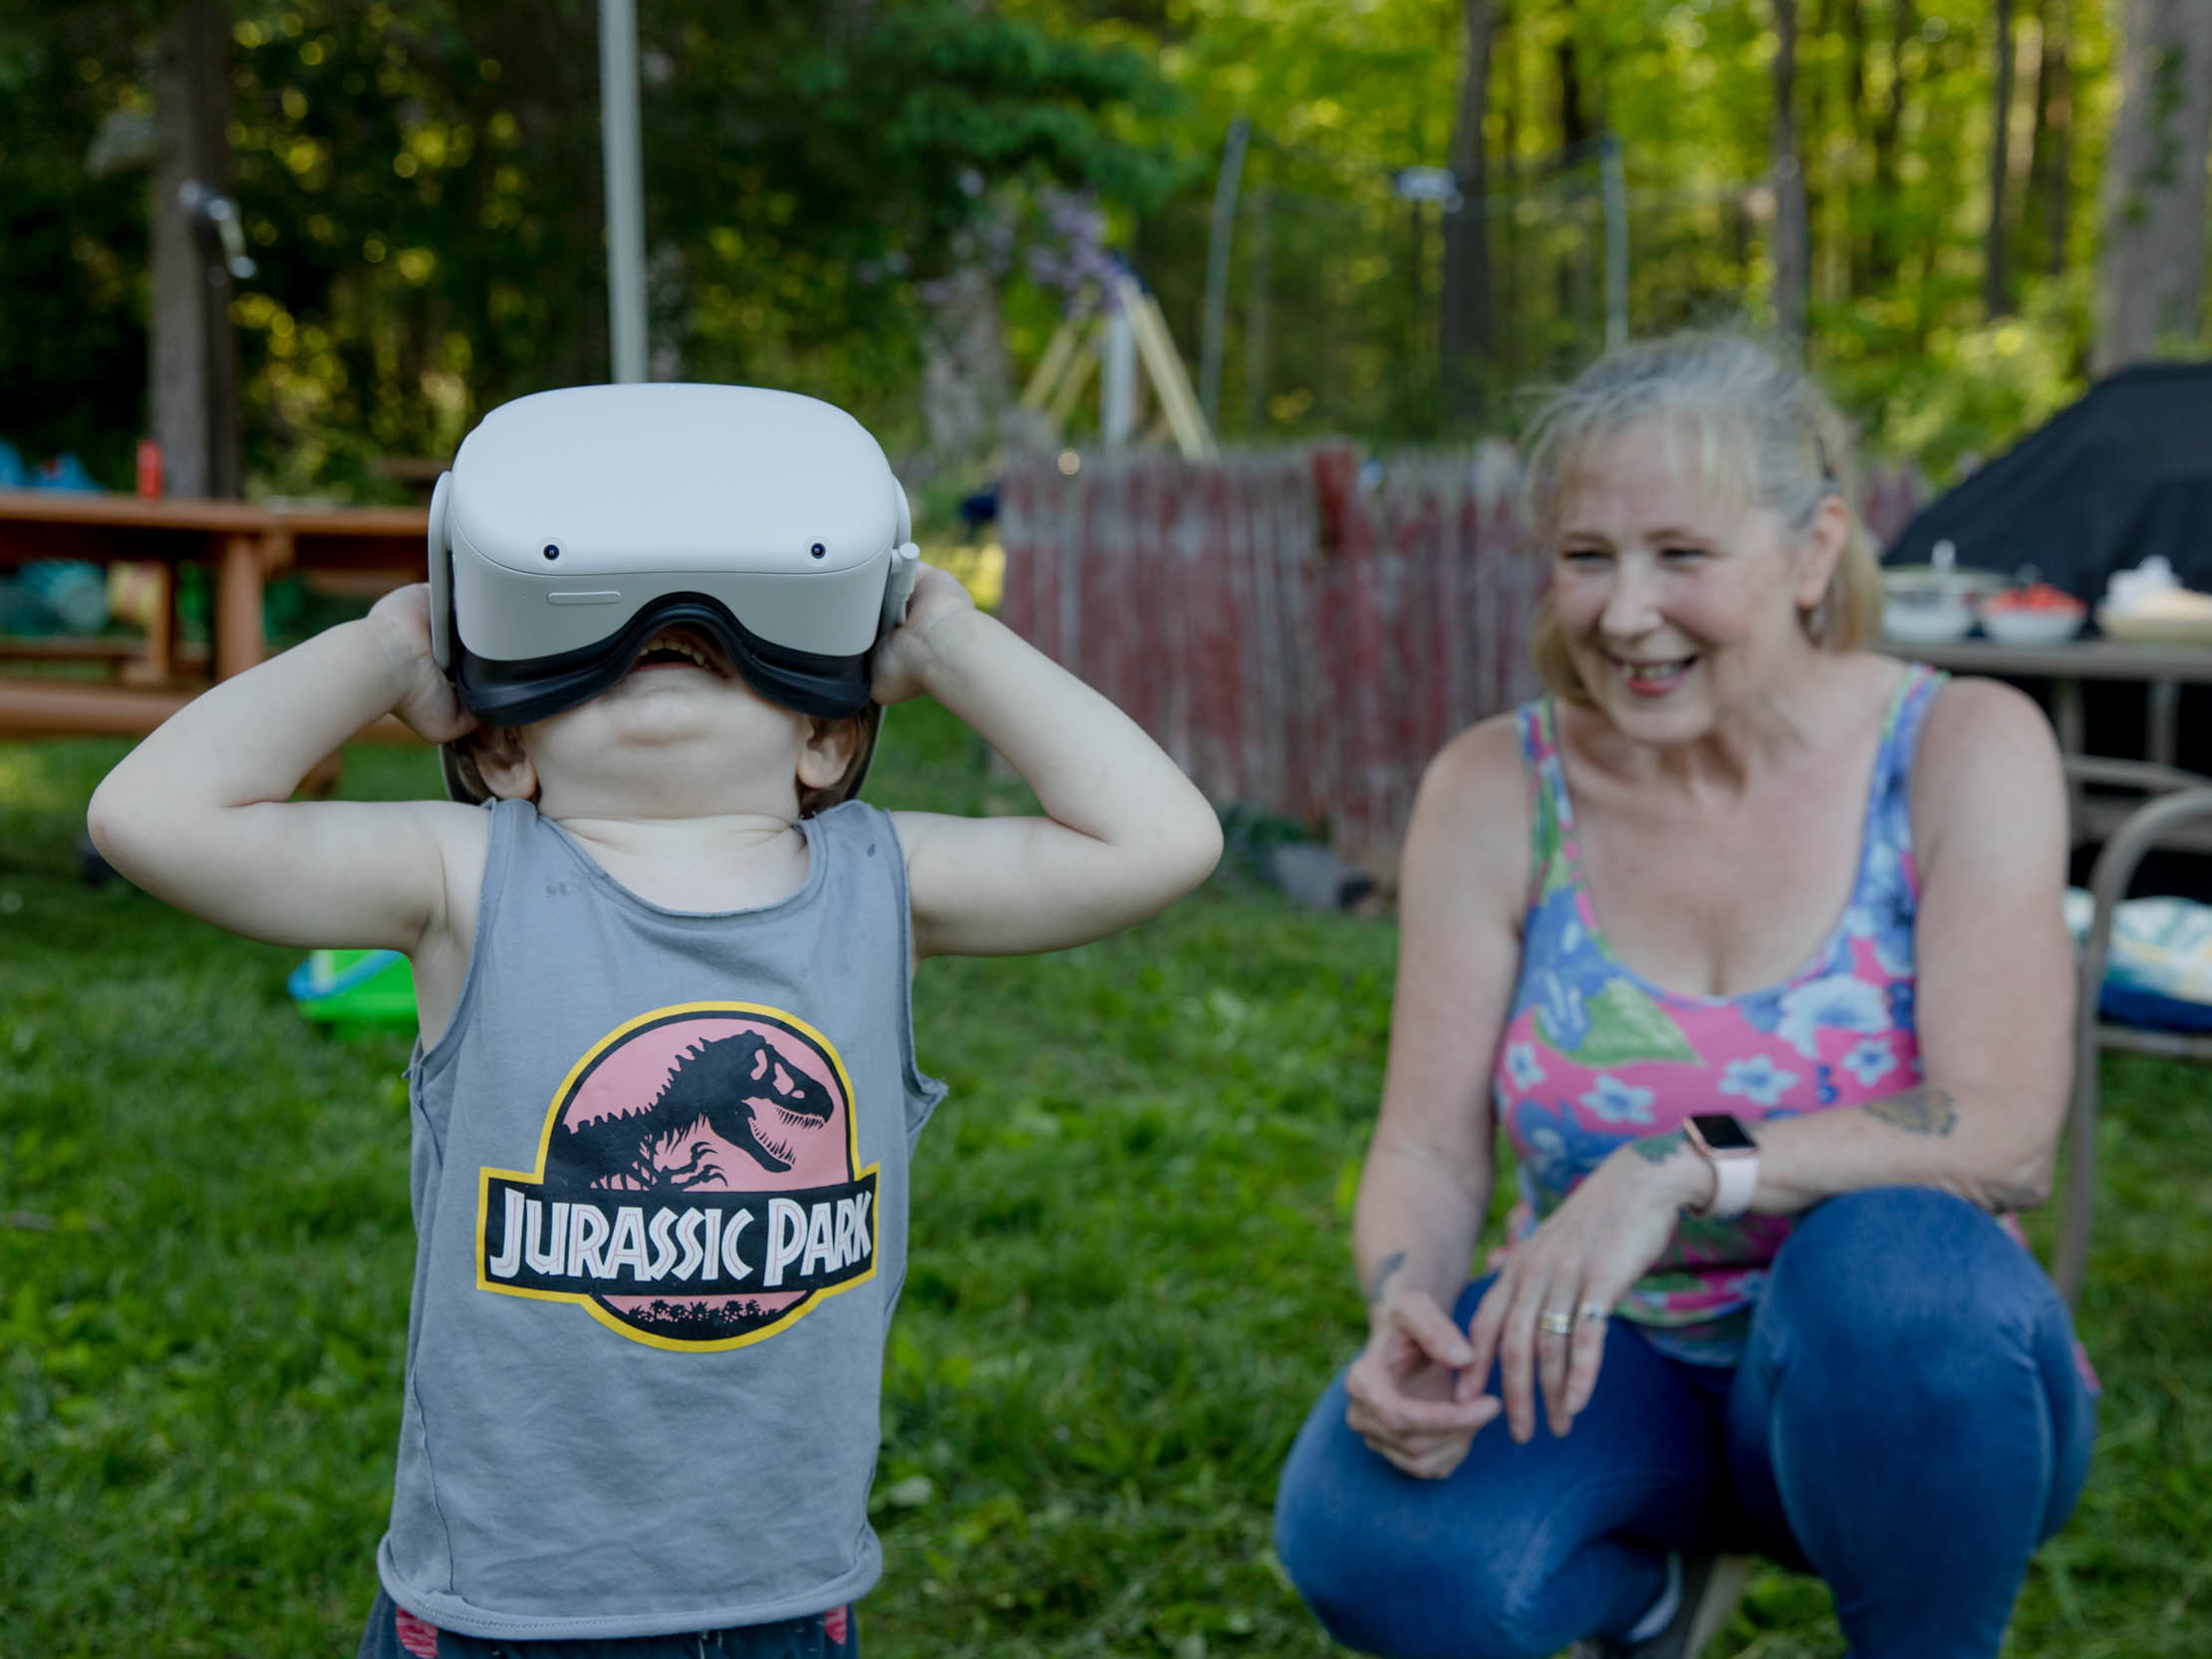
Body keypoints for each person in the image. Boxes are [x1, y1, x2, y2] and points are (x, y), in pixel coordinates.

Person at [86, 409, 1222, 1656]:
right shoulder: (468, 877)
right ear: (507, 745)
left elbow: (1164, 841)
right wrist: (388, 649)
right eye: (608, 636)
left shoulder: (881, 878)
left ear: (826, 734)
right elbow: (151, 816)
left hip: (784, 1593)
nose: (669, 636)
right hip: (500, 1605)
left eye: (727, 636)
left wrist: (946, 636)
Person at [1271, 332, 2094, 1659]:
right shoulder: (1498, 784)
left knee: (1900, 1270)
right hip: (1606, 1356)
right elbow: (1427, 1139)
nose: (1623, 612)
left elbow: (1999, 1131)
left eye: (1682, 556)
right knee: (1371, 1544)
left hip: (1908, 1387)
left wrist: (1679, 1164)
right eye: (1588, 556)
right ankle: (1649, 1607)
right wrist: (1402, 1304)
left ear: (1816, 549)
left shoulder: (1959, 745)